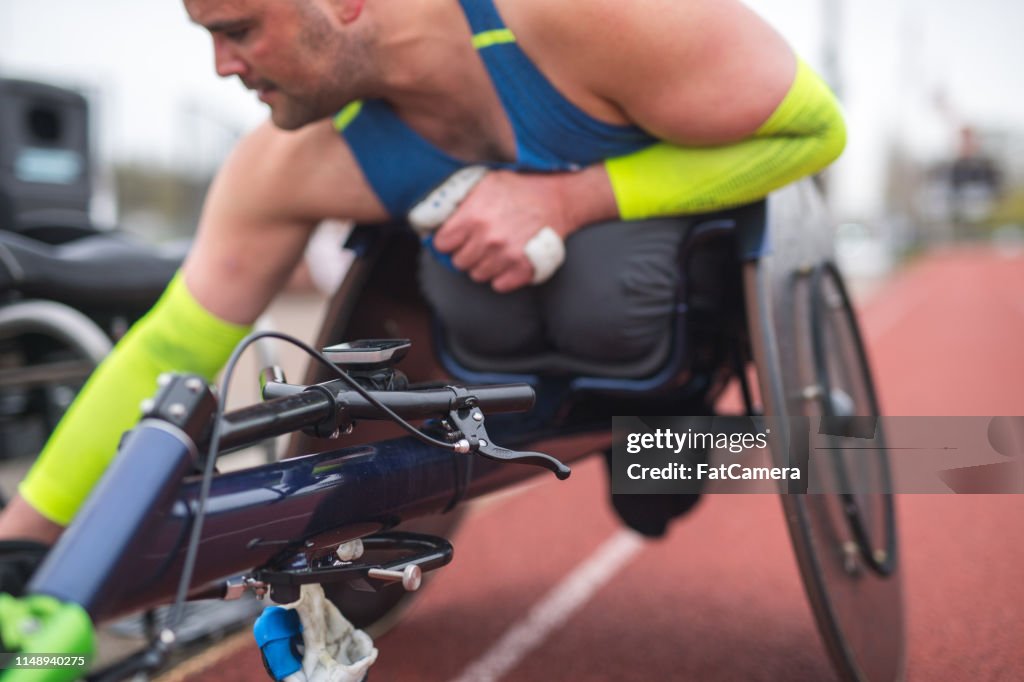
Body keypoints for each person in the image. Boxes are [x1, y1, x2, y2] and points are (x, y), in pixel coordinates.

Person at [0, 0, 846, 566]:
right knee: (471, 289)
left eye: (241, 27)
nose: (223, 64)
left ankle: (664, 434)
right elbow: (174, 344)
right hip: (502, 362)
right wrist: (21, 550)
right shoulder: (291, 161)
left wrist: (574, 197)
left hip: (659, 334)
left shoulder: (581, 15)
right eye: (208, 34)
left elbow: (815, 129)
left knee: (607, 289)